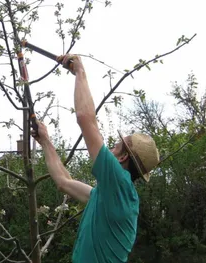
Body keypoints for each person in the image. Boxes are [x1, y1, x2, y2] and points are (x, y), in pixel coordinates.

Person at [31, 54, 160, 262]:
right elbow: (64, 182)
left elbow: (85, 119)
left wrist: (80, 71)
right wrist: (46, 142)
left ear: (123, 157)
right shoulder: (110, 196)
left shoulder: (119, 183)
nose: (110, 147)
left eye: (117, 145)